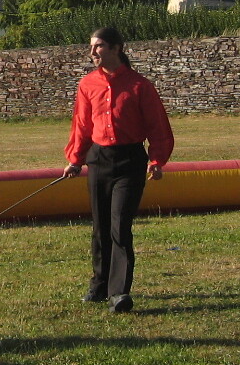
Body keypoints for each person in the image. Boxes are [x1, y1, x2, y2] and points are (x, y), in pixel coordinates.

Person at [62, 26, 175, 314]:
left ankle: (119, 292)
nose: (92, 52)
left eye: (98, 46)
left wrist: (157, 160)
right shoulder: (87, 85)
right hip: (99, 159)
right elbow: (82, 125)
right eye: (91, 46)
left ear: (116, 48)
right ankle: (99, 284)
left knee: (120, 226)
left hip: (130, 161)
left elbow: (158, 126)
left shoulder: (140, 86)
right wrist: (75, 160)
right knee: (100, 227)